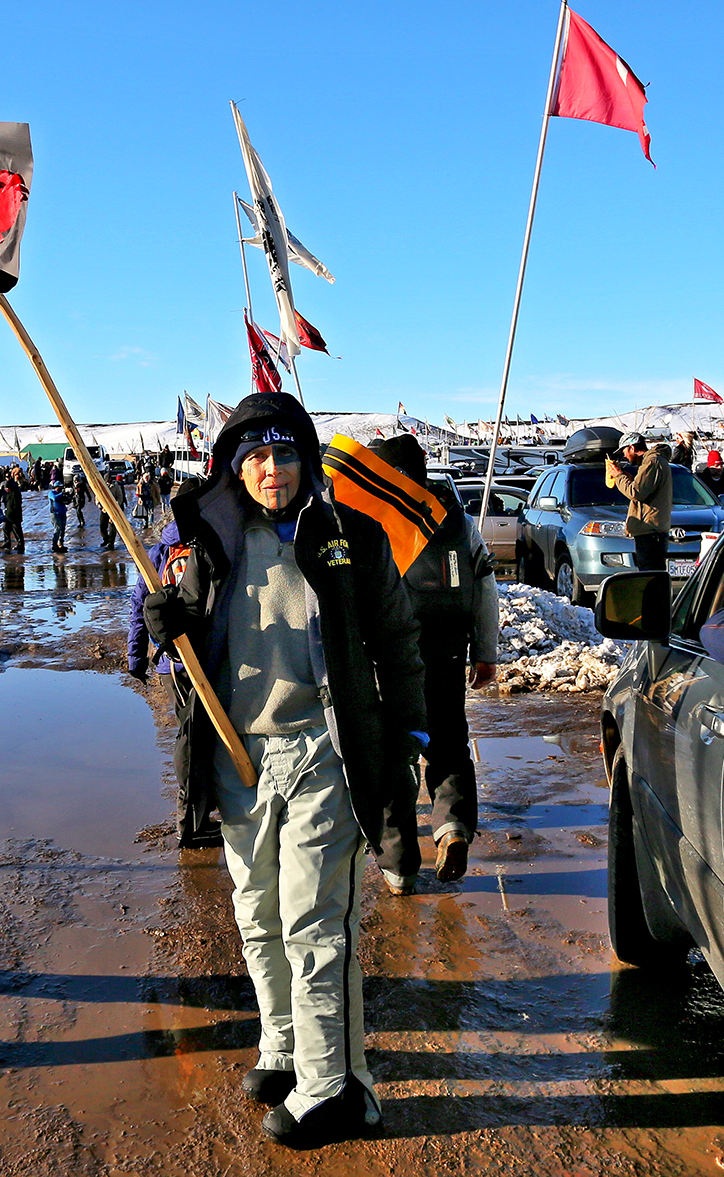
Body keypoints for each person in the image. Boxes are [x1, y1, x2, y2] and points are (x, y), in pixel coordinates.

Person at [142, 391, 424, 1147]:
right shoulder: (210, 542)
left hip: (321, 755)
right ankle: (287, 1047)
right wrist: (165, 624)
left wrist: (411, 736)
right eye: (258, 456)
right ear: (236, 467)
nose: (274, 469)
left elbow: (398, 641)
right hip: (239, 755)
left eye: (287, 453)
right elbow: (180, 639)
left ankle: (334, 1085)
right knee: (257, 913)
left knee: (313, 922)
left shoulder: (348, 537)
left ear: (307, 459)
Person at [371, 434, 499, 894]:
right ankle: (453, 829)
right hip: (445, 650)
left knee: (390, 758)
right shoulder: (457, 521)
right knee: (447, 743)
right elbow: (484, 586)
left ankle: (400, 866)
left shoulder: (369, 518)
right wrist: (486, 652)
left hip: (384, 657)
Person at [606, 432, 672, 572]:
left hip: (650, 531)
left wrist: (619, 476)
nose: (624, 456)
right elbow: (645, 490)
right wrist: (628, 478)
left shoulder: (651, 462)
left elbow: (636, 493)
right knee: (652, 574)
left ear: (632, 448)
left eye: (624, 451)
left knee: (651, 576)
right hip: (651, 530)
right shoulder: (653, 461)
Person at [100, 475, 127, 551]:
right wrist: (99, 504)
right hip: (104, 510)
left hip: (113, 510)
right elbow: (97, 497)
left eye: (110, 478)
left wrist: (116, 505)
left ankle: (111, 543)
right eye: (107, 479)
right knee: (102, 526)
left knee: (112, 527)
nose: (109, 480)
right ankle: (106, 539)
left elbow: (120, 497)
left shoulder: (116, 487)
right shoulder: (102, 487)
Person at [1, 474, 25, 553]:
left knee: (17, 530)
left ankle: (20, 544)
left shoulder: (15, 493)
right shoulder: (8, 494)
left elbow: (16, 505)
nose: (6, 489)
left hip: (15, 515)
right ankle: (7, 542)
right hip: (8, 515)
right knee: (5, 528)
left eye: (7, 488)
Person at [47, 482, 70, 553]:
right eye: (60, 487)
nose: (61, 488)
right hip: (55, 514)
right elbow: (54, 498)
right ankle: (54, 544)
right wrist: (62, 493)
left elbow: (67, 501)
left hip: (62, 513)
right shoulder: (52, 493)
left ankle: (61, 544)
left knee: (62, 529)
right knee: (58, 528)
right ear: (56, 487)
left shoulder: (62, 494)